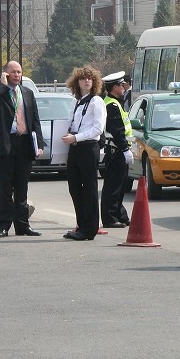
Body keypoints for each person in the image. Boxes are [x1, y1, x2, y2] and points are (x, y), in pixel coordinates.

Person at [0, 61, 44, 237]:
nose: (17, 75)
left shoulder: (27, 93)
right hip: (3, 145)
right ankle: (3, 226)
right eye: (13, 72)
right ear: (6, 74)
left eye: (19, 72)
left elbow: (35, 120)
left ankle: (23, 225)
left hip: (24, 143)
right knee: (5, 187)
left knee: (22, 187)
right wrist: (2, 87)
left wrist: (38, 144)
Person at [61, 65, 107, 241]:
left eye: (90, 78)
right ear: (77, 82)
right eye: (83, 78)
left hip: (88, 147)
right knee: (74, 187)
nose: (87, 80)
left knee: (89, 189)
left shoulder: (97, 101)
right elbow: (71, 123)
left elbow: (98, 128)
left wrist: (76, 138)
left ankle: (90, 229)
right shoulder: (76, 102)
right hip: (75, 147)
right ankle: (81, 224)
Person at [100, 71, 133, 229]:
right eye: (121, 85)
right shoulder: (111, 105)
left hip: (118, 150)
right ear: (114, 88)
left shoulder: (115, 102)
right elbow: (117, 130)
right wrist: (125, 149)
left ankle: (120, 215)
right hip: (116, 150)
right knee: (113, 187)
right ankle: (110, 218)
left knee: (119, 187)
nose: (124, 88)